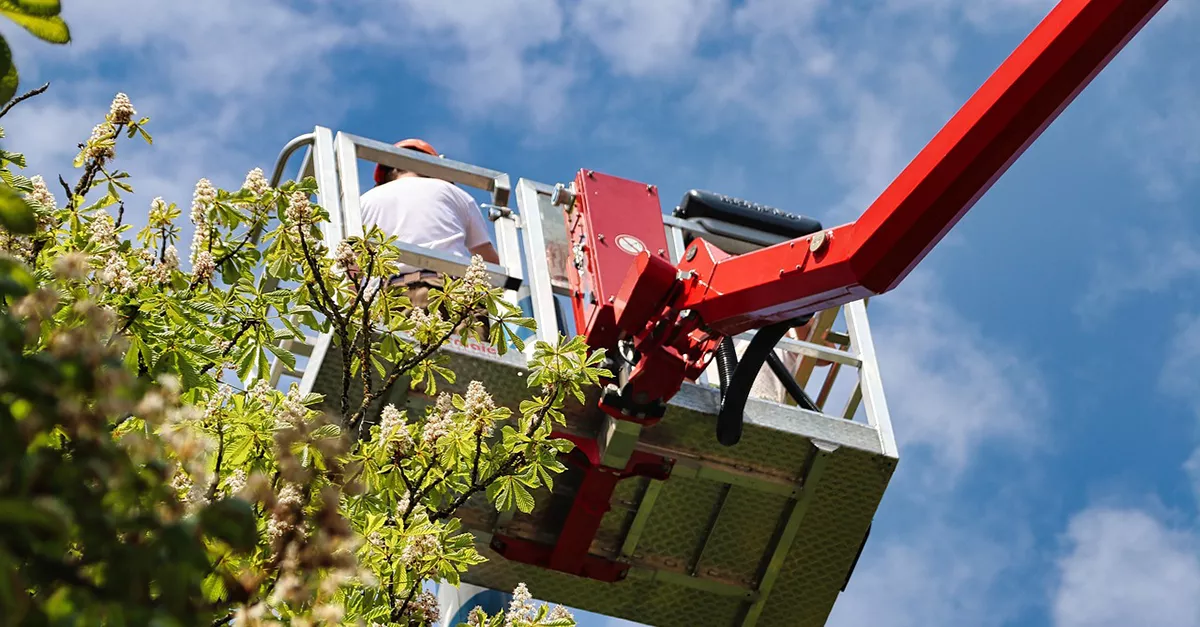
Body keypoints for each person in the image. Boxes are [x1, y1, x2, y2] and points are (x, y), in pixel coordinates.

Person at [359, 138, 500, 332]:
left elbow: (351, 267)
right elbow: (489, 263)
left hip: (391, 298)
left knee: (396, 359)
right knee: (470, 356)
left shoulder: (365, 201)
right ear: (434, 166)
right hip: (454, 293)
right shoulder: (454, 193)